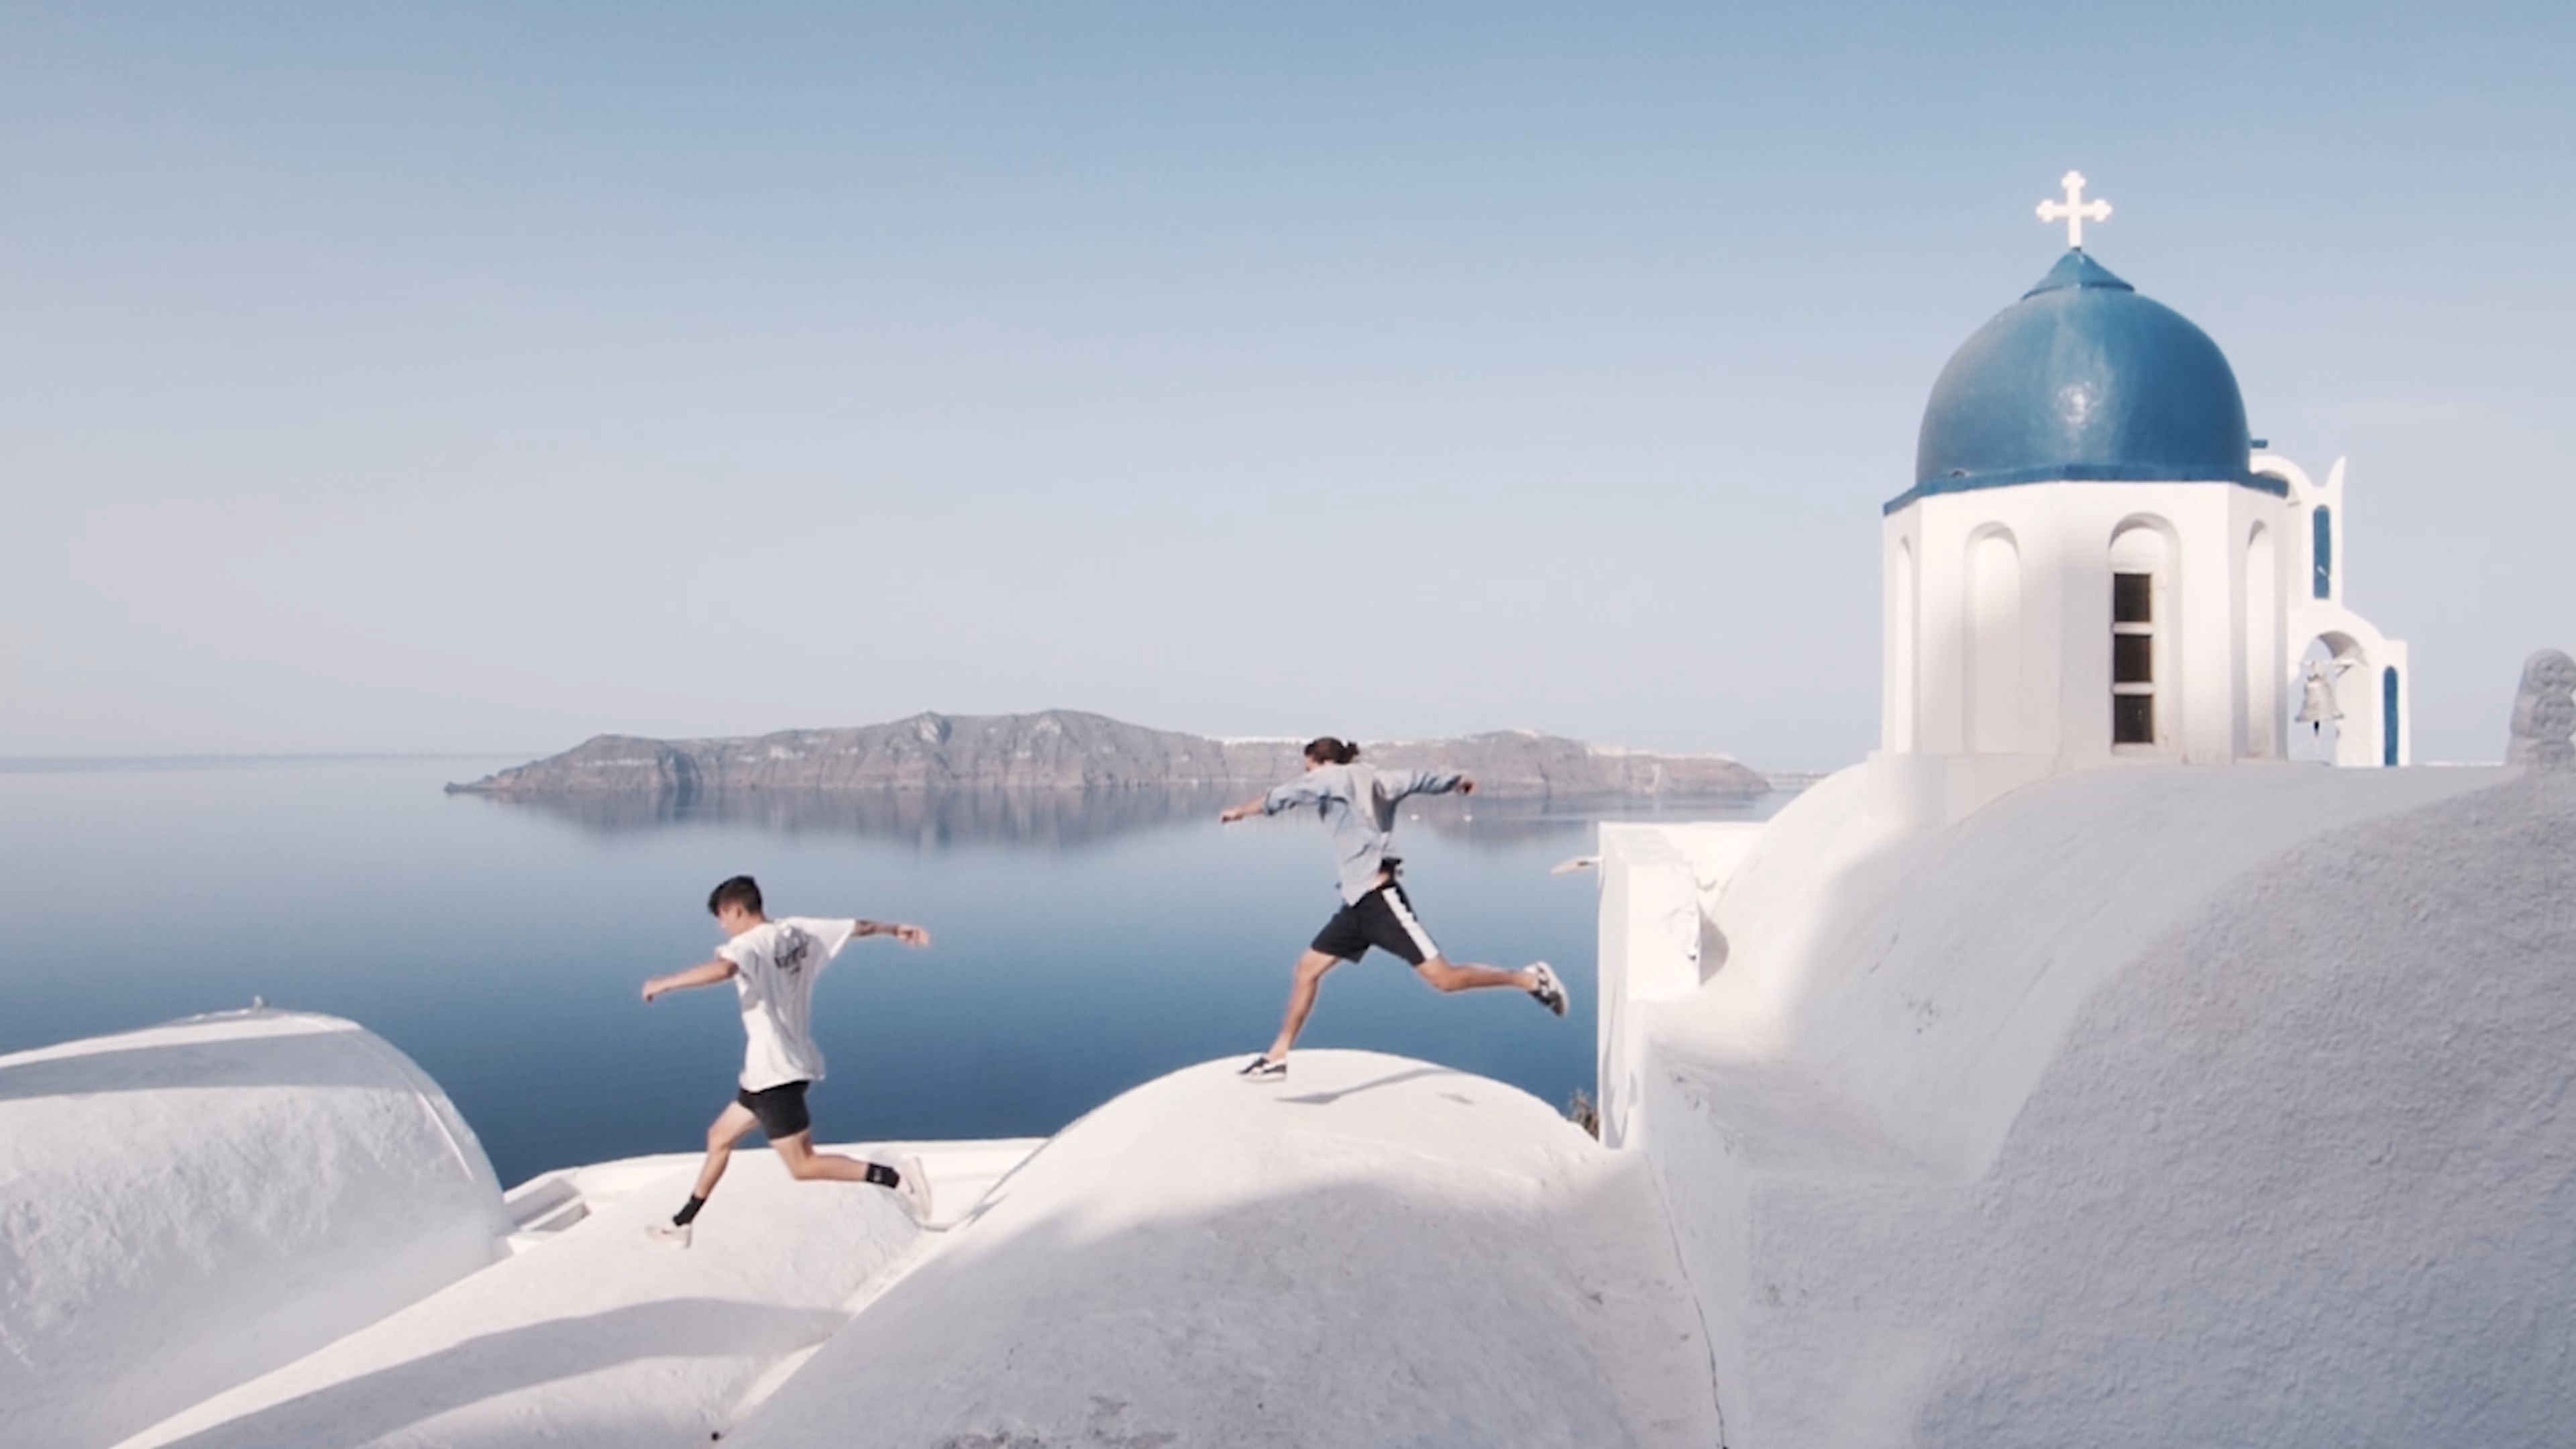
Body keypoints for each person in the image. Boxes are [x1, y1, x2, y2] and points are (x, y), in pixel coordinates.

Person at [1220, 737, 1568, 1081]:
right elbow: (1420, 778)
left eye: (1308, 766)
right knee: (1306, 970)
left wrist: (1239, 812)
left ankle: (1530, 980)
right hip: (1355, 905)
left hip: (1381, 902)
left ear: (1320, 761)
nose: (1308, 774)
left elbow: (1281, 796)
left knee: (1444, 979)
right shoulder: (1381, 779)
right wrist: (1457, 781)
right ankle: (1278, 1056)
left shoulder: (1329, 777)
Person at [638, 874, 934, 1246]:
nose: (722, 926)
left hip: (775, 1077)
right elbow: (858, 927)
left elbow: (723, 969)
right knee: (719, 1137)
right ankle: (682, 1223)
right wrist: (895, 929)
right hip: (767, 1073)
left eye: (722, 917)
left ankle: (898, 1178)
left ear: (736, 910)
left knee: (803, 1165)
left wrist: (665, 984)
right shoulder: (799, 931)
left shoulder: (746, 946)